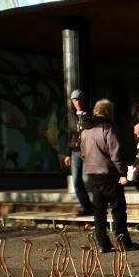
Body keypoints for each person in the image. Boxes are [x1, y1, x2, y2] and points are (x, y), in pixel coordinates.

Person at [79, 99, 138, 253]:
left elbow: (83, 154)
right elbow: (115, 153)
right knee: (118, 209)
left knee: (99, 212)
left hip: (92, 174)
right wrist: (122, 172)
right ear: (108, 112)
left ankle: (102, 244)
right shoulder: (107, 127)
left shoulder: (85, 130)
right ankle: (123, 242)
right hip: (109, 174)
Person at [63, 88, 93, 216]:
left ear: (84, 100)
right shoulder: (69, 116)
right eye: (75, 100)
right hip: (75, 151)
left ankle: (99, 203)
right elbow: (67, 135)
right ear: (72, 101)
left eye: (79, 99)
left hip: (88, 151)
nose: (77, 102)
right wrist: (66, 153)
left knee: (87, 180)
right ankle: (87, 207)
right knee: (76, 181)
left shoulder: (91, 114)